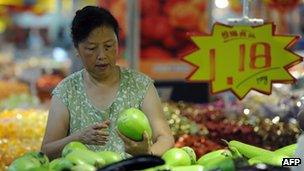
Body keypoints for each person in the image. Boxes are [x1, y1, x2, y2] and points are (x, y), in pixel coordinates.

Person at [41, 6, 174, 160]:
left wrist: (146, 155)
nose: (102, 55)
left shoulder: (140, 85)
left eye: (109, 46)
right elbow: (46, 150)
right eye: (92, 48)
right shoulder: (66, 91)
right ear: (77, 49)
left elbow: (166, 138)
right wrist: (78, 138)